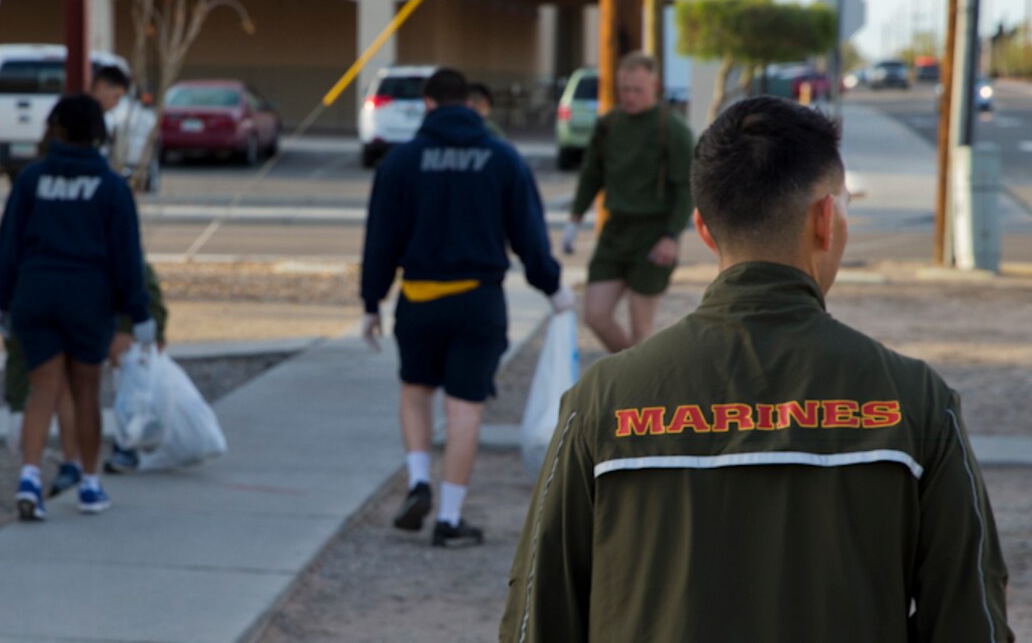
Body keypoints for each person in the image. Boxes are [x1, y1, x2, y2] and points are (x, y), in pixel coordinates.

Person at [501, 96, 1014, 642]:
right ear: (825, 219)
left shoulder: (602, 402)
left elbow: (535, 619)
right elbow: (971, 622)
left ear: (702, 228)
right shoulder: (915, 402)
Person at [361, 68, 573, 547]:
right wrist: (553, 288)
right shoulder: (502, 158)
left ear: (429, 104)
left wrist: (371, 301)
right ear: (473, 105)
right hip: (479, 302)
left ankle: (418, 481)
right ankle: (449, 518)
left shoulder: (402, 161)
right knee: (464, 411)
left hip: (419, 300)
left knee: (415, 391)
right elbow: (529, 236)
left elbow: (380, 239)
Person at [0, 94, 155, 521]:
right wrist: (139, 313)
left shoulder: (31, 180)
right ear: (98, 133)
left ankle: (29, 477)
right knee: (85, 391)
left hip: (35, 293)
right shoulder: (111, 187)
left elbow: (9, 243)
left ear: (56, 128)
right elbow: (127, 257)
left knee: (42, 389)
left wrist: (1, 297)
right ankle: (90, 482)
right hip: (88, 298)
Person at [563, 51, 694, 352]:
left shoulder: (671, 128)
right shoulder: (609, 124)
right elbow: (591, 174)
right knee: (595, 315)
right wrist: (574, 218)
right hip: (615, 230)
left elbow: (686, 188)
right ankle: (631, 373)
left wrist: (671, 235)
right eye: (625, 89)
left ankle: (640, 390)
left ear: (655, 85)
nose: (630, 96)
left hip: (653, 231)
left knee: (641, 328)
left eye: (638, 89)